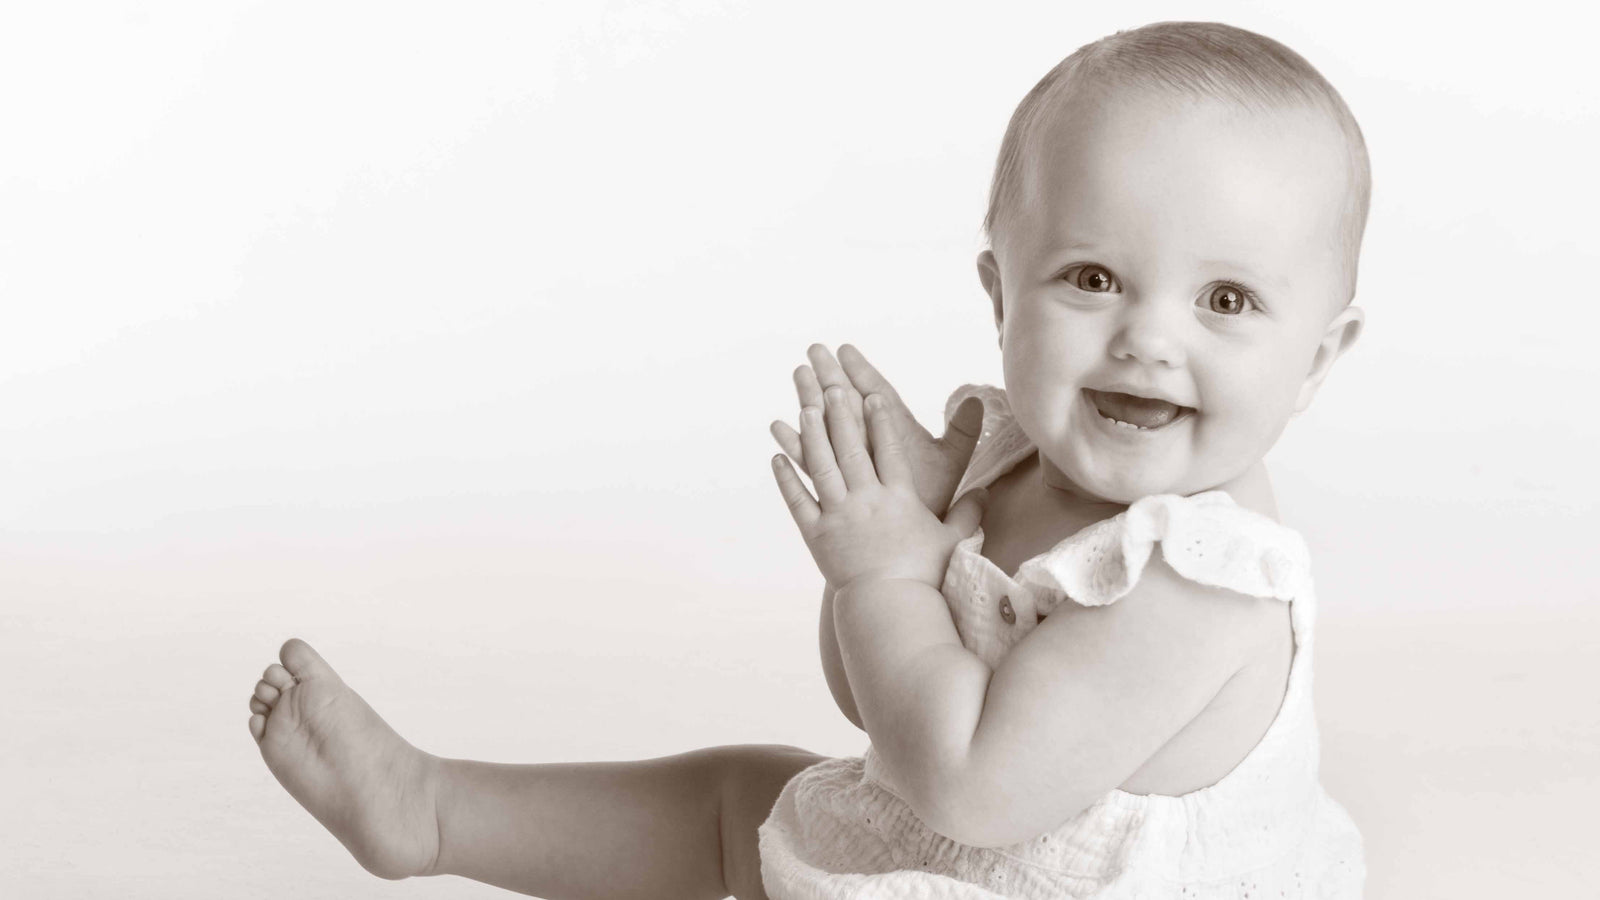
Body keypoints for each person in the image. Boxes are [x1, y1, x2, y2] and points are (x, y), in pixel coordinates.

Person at [247, 21, 1369, 899]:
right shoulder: (1016, 462)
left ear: (1316, 362)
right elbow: (869, 701)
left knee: (779, 816)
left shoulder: (1200, 575)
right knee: (751, 796)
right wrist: (914, 545)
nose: (1148, 337)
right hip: (967, 851)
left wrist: (885, 572)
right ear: (999, 295)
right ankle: (434, 812)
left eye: (1226, 299)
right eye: (1090, 277)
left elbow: (969, 784)